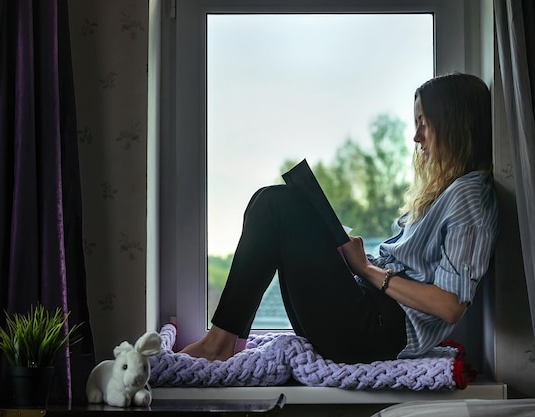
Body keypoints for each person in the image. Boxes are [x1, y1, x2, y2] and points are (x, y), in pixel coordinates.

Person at [180, 72, 499, 364]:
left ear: (454, 126)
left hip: (380, 330)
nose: (416, 137)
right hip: (368, 313)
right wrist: (349, 256)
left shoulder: (469, 195)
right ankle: (226, 340)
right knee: (267, 201)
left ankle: (221, 342)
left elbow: (450, 305)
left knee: (277, 204)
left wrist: (366, 269)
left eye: (425, 124)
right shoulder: (447, 192)